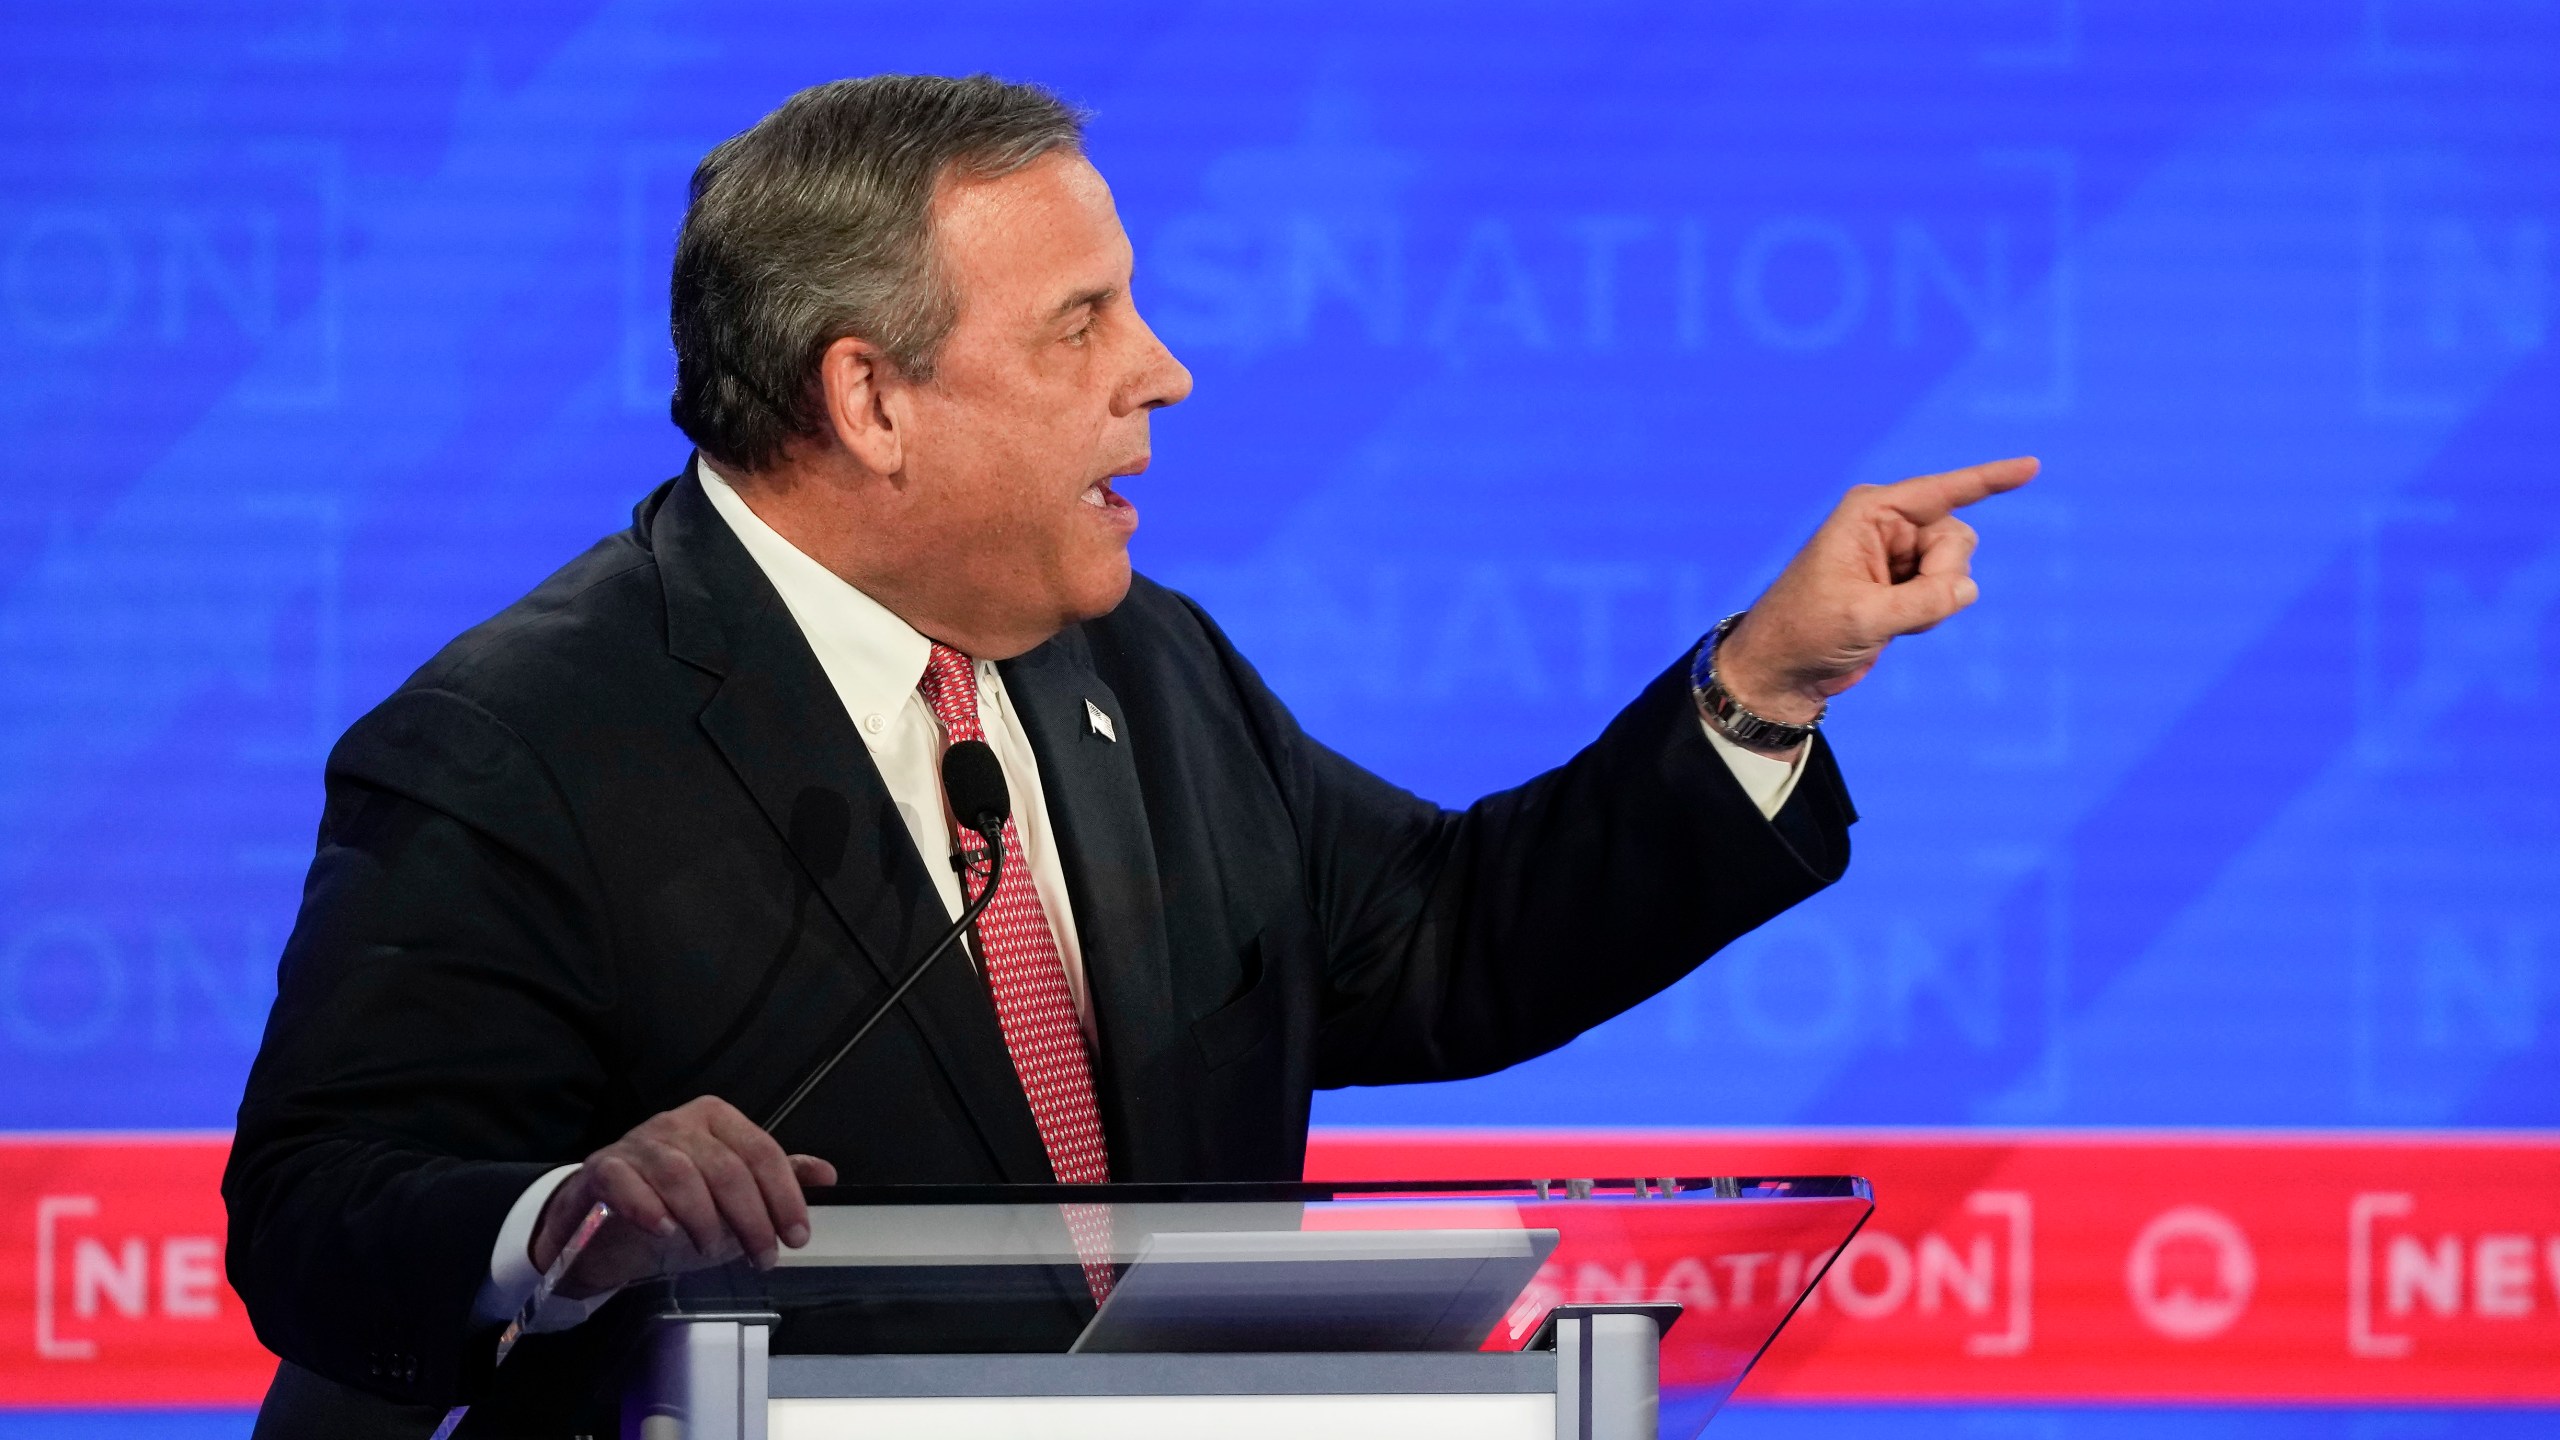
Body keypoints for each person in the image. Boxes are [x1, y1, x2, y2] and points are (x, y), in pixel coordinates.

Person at [223, 73, 2031, 1434]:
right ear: (870, 398)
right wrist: (566, 1215)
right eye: (1082, 322)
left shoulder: (1137, 663)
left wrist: (1761, 690)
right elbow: (315, 1214)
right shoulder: (514, 739)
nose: (1158, 371)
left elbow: (1444, 939)